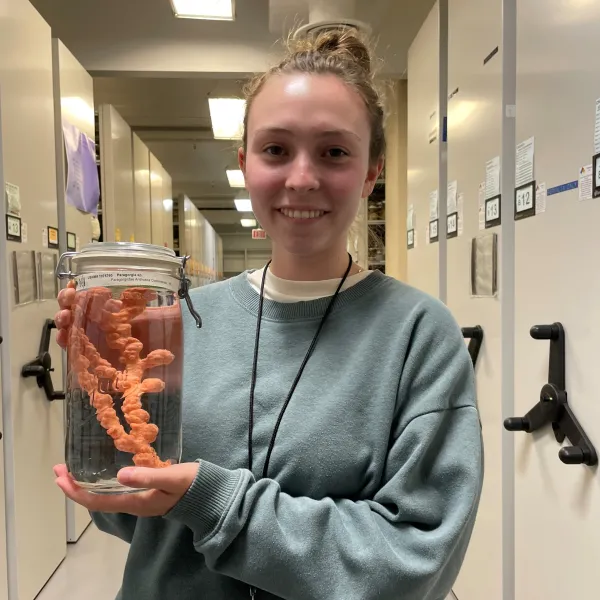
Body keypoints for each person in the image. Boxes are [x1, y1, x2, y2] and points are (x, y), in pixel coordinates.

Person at [53, 27, 484, 600]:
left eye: (334, 152)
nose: (301, 178)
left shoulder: (417, 336)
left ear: (372, 172)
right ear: (245, 162)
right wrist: (98, 406)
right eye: (276, 149)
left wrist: (217, 503)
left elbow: (415, 561)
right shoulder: (180, 322)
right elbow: (139, 521)